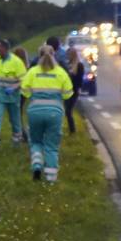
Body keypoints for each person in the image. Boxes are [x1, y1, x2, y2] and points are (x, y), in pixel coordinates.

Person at [21, 45, 75, 182]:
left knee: (36, 142)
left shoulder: (33, 71)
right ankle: (51, 179)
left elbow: (24, 91)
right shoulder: (60, 72)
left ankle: (37, 165)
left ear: (39, 56)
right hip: (55, 113)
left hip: (35, 112)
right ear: (54, 55)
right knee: (51, 146)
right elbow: (68, 94)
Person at [0, 40, 27, 153]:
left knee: (15, 120)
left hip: (13, 96)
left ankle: (17, 141)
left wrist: (14, 87)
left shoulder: (17, 62)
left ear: (5, 48)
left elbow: (24, 80)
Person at [63, 48, 84, 134]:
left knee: (68, 110)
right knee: (66, 110)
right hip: (66, 90)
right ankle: (70, 128)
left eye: (69, 54)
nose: (67, 56)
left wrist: (71, 75)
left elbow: (79, 79)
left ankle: (72, 130)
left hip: (74, 90)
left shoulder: (79, 65)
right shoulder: (67, 65)